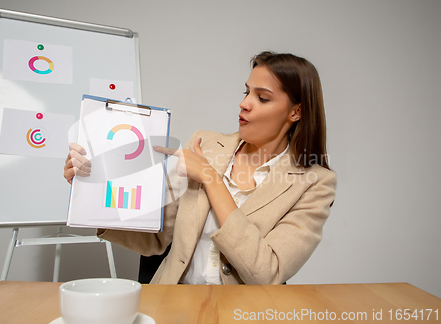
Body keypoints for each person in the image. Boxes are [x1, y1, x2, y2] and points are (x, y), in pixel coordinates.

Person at [64, 51, 336, 285]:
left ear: (296, 112)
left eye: (262, 98)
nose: (244, 103)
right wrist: (93, 193)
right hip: (172, 304)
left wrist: (210, 179)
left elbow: (266, 272)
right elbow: (155, 237)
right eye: (246, 91)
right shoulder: (204, 145)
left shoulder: (315, 182)